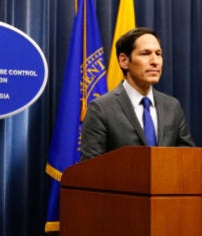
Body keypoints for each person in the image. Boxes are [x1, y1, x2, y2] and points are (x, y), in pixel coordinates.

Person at [80, 27, 195, 161]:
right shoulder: (101, 109)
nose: (155, 61)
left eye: (158, 54)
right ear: (124, 61)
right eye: (145, 54)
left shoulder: (172, 106)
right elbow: (91, 169)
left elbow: (188, 158)